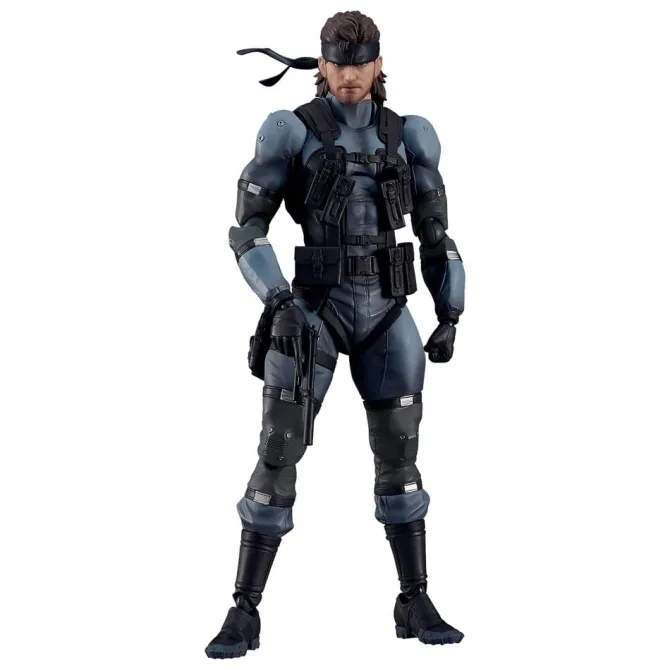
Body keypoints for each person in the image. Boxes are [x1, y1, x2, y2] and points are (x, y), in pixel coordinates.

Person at [206, 10, 466, 659]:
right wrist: (278, 301)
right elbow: (246, 229)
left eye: (360, 62)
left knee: (401, 459)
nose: (350, 74)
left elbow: (436, 234)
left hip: (387, 310)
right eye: (339, 62)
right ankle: (244, 610)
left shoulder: (410, 135)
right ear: (322, 64)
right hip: (313, 311)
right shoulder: (289, 129)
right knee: (278, 449)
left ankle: (414, 599)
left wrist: (451, 312)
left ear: (379, 63)